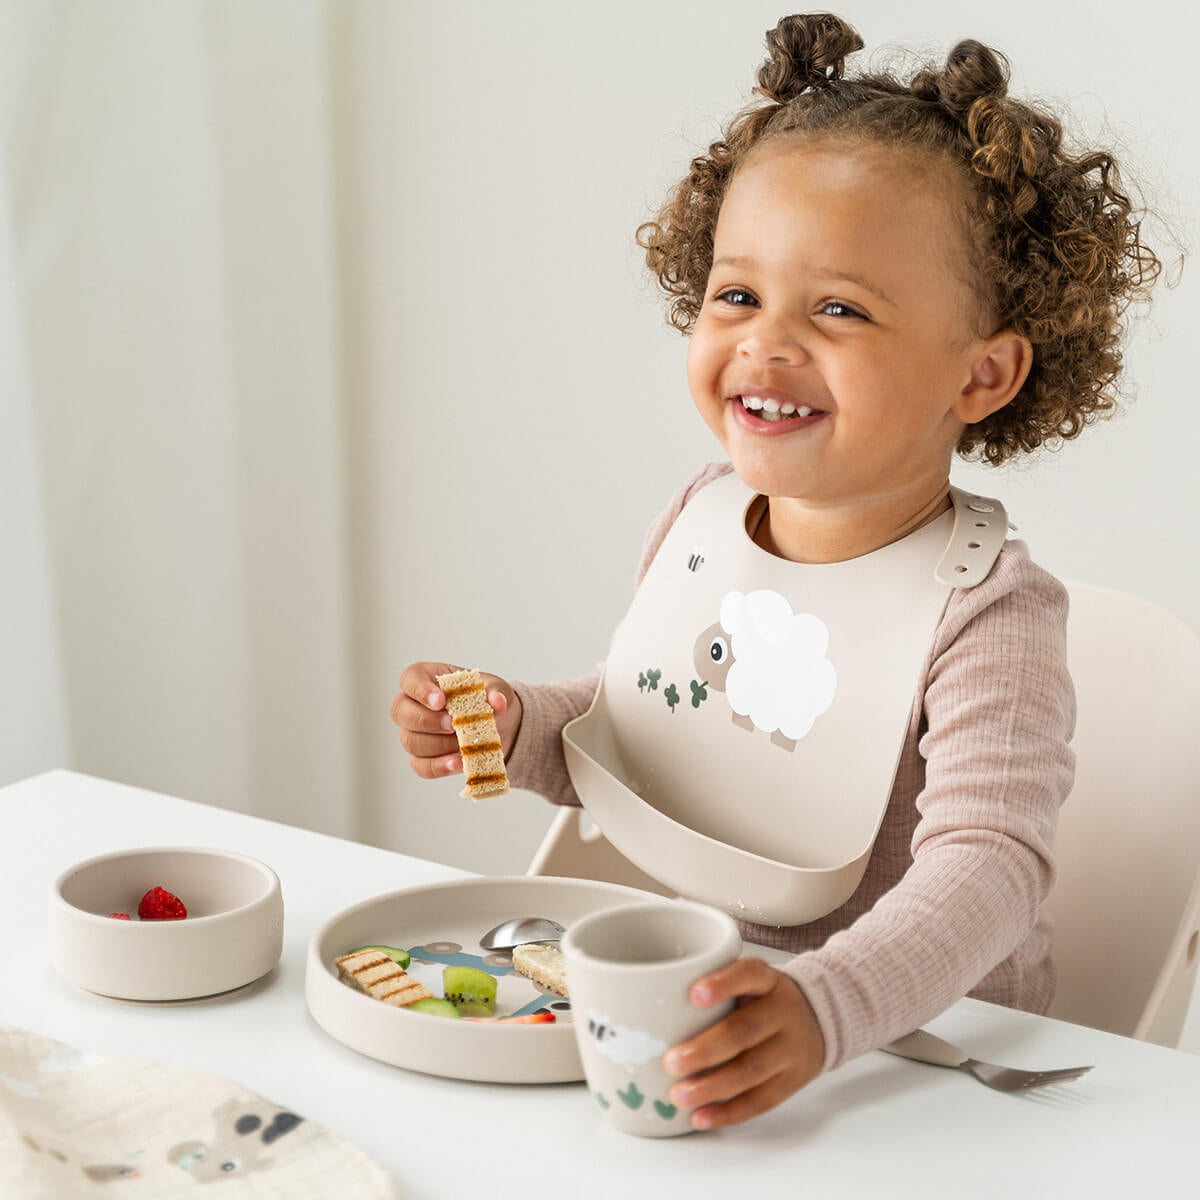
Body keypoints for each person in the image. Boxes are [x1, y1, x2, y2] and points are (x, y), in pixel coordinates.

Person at [390, 13, 1163, 1129]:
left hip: (935, 1065)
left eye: (839, 308)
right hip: (725, 1014)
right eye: (738, 295)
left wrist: (826, 1006)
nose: (766, 342)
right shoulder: (701, 519)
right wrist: (513, 726)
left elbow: (990, 868)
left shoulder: (988, 612)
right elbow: (646, 725)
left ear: (982, 375)